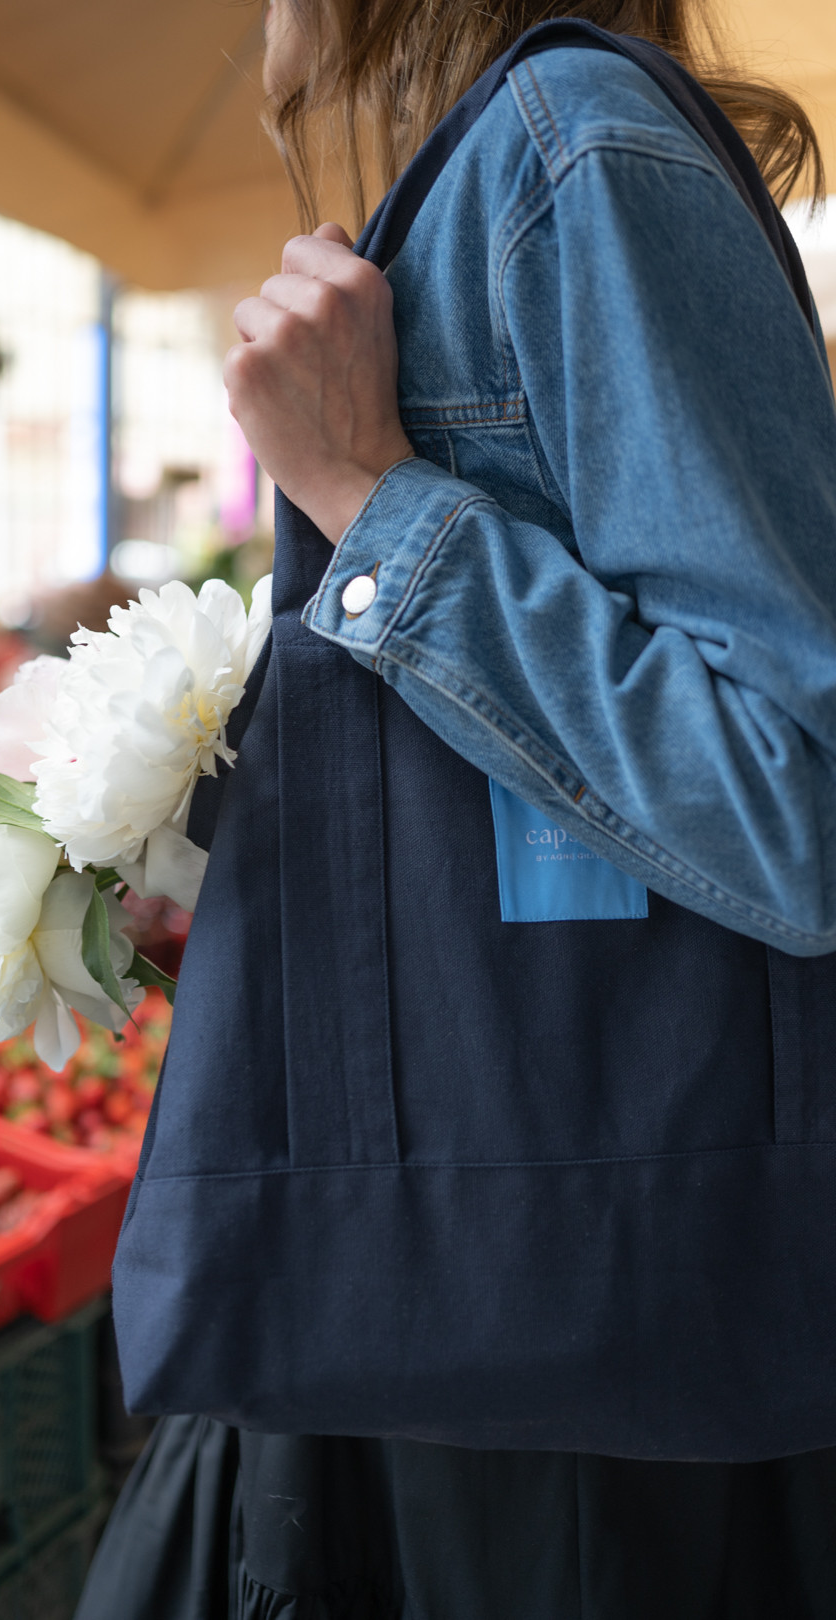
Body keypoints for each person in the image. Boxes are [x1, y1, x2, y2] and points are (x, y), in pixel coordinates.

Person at [77, 1, 836, 1615]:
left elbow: (798, 799)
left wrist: (366, 494)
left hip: (584, 1346)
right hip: (547, 1278)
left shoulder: (574, 149)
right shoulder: (522, 162)